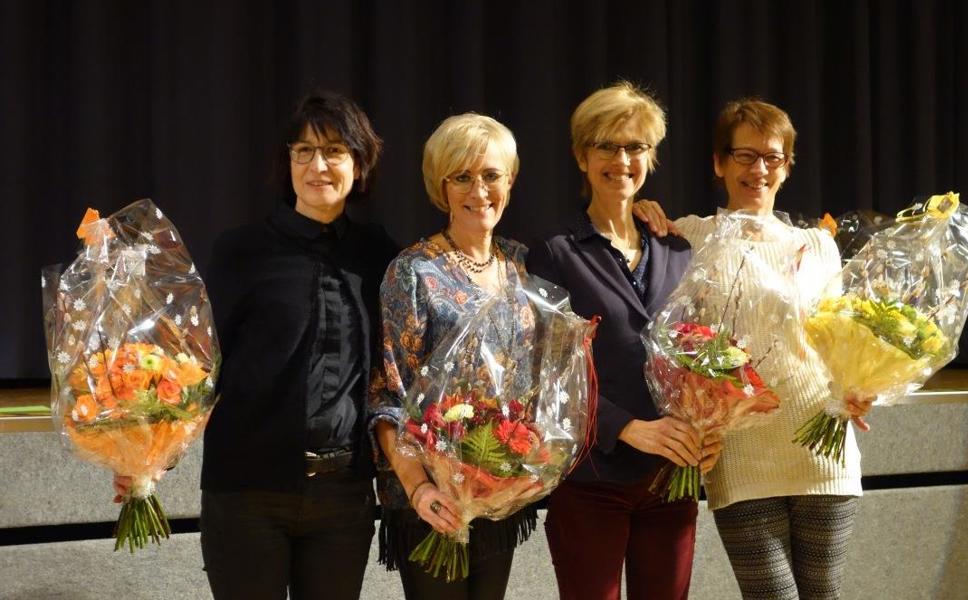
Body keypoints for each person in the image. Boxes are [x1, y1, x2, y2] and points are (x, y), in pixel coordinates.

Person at [657, 98, 873, 600]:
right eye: (745, 156)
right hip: (740, 453)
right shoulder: (688, 236)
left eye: (772, 158)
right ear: (718, 162)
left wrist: (862, 388)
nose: (759, 169)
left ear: (787, 168)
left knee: (823, 594)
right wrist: (643, 209)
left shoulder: (818, 245)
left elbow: (840, 341)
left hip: (823, 447)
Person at [186, 90, 394, 600]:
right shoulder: (240, 252)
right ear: (288, 162)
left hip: (343, 496)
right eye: (303, 151)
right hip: (248, 493)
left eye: (334, 151)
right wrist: (146, 459)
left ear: (360, 164)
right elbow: (196, 364)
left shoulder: (380, 256)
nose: (317, 165)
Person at [525, 81, 722, 600]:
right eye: (606, 146)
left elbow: (701, 353)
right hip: (593, 480)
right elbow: (546, 375)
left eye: (636, 147)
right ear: (580, 156)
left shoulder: (676, 248)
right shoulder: (555, 252)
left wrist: (712, 422)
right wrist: (628, 427)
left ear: (651, 157)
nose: (622, 159)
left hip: (670, 478)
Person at [369, 113, 539, 600]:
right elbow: (387, 398)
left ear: (510, 180)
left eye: (490, 175)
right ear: (441, 187)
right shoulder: (413, 271)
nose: (478, 190)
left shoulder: (521, 265)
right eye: (462, 176)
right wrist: (421, 487)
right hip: (432, 502)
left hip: (498, 492)